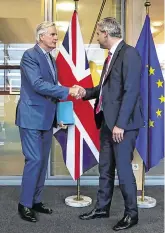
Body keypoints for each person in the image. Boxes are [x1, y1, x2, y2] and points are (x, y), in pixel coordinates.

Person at [76, 17, 144, 231]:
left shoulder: (129, 53)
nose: (97, 37)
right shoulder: (111, 57)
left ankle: (131, 215)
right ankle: (102, 207)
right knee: (105, 169)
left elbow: (131, 91)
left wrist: (120, 125)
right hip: (107, 122)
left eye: (98, 33)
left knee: (123, 170)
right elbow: (105, 89)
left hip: (122, 126)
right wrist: (86, 92)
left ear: (106, 33)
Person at [15, 21, 79, 222]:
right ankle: (24, 204)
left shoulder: (51, 59)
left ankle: (35, 201)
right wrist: (68, 90)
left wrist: (58, 116)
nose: (55, 37)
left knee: (42, 162)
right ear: (41, 36)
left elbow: (51, 89)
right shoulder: (30, 56)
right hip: (31, 117)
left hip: (46, 118)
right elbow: (37, 85)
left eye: (56, 34)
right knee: (34, 160)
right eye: (52, 34)